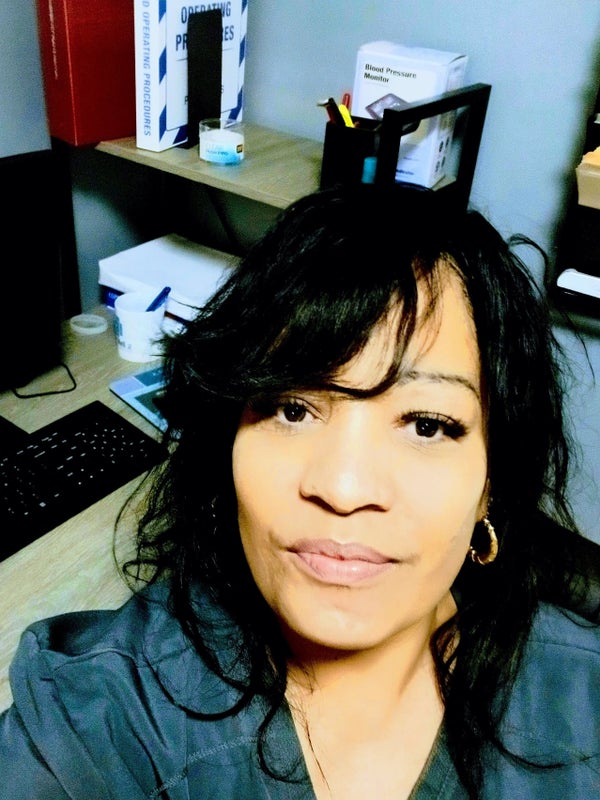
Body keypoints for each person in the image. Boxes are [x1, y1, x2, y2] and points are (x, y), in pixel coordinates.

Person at [0, 183, 599, 800]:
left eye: (426, 425)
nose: (343, 488)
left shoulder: (584, 698)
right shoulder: (102, 717)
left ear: (491, 482)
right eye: (292, 409)